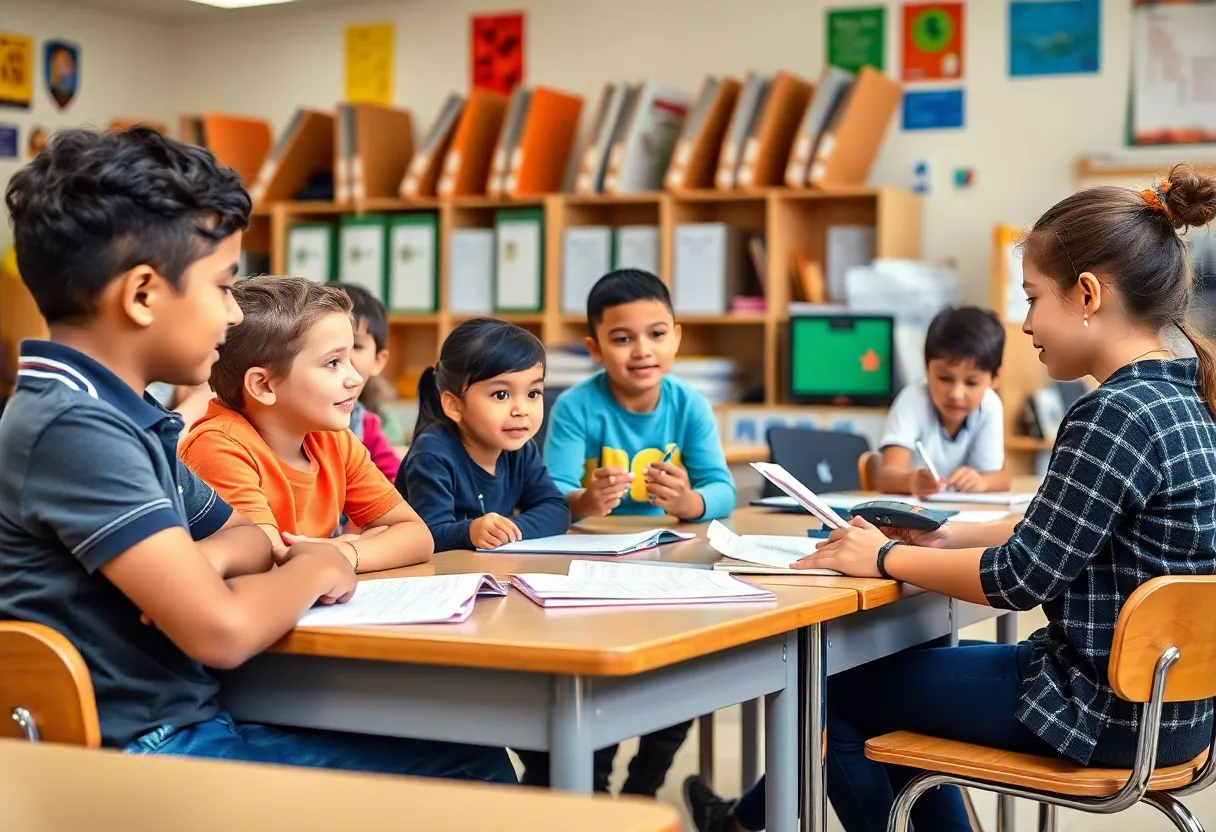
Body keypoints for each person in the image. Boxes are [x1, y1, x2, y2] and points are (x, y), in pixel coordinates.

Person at [683, 164, 1216, 831]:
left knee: (833, 693)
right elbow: (1057, 534)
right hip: (1178, 714)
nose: (1026, 324)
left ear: (1087, 294)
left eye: (1032, 299)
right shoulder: (1187, 398)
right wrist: (940, 535)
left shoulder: (1111, 414)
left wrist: (883, 559)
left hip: (1094, 709)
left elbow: (1020, 578)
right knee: (899, 681)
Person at [0, 127, 513, 782]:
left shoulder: (122, 415)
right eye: (221, 286)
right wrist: (322, 565)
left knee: (462, 747)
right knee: (468, 763)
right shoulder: (75, 428)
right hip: (146, 752)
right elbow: (223, 631)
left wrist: (210, 558)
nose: (234, 315)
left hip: (189, 723)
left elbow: (247, 536)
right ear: (143, 295)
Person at [537, 268, 737, 795]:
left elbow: (723, 489)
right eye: (622, 338)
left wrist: (690, 502)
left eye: (656, 333)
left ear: (677, 336)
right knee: (601, 684)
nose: (642, 350)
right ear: (594, 348)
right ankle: (596, 788)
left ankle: (643, 787)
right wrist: (585, 501)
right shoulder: (577, 405)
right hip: (591, 572)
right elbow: (550, 494)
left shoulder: (689, 403)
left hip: (671, 569)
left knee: (682, 679)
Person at [179, 276, 432, 574]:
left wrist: (343, 551)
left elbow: (418, 537)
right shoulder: (217, 446)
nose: (355, 378)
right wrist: (363, 546)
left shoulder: (334, 439)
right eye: (332, 363)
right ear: (263, 385)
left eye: (350, 358)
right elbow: (266, 564)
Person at [396, 317, 569, 552]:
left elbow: (557, 509)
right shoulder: (432, 454)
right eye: (501, 395)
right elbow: (425, 535)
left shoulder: (520, 449)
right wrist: (469, 532)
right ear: (455, 405)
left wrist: (506, 532)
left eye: (533, 394)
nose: (521, 410)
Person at [875, 306, 1011, 497]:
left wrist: (982, 482)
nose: (956, 394)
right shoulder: (912, 401)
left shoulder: (990, 406)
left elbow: (1002, 479)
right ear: (927, 368)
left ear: (995, 378)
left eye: (971, 382)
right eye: (945, 378)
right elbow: (886, 478)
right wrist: (911, 481)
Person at [334, 283, 403, 479]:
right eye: (331, 345)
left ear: (378, 361)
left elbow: (394, 480)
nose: (345, 355)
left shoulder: (366, 424)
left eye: (356, 345)